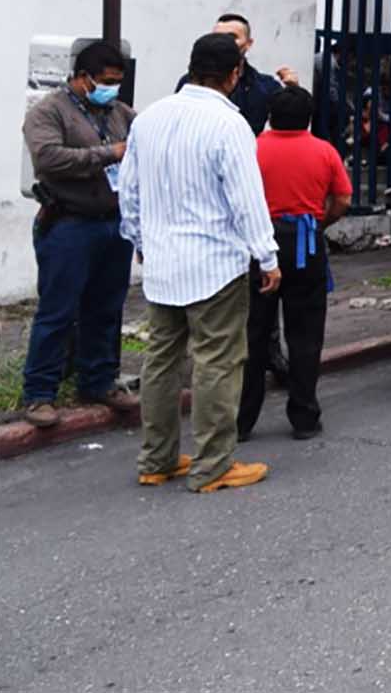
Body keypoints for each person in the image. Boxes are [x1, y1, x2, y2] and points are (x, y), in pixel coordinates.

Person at [120, 33, 280, 493]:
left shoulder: (148, 119)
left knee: (161, 361)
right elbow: (247, 201)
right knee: (217, 362)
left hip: (163, 263)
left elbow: (128, 192)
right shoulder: (229, 126)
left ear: (191, 67)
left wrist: (139, 240)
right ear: (234, 76)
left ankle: (157, 459)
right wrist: (267, 256)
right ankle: (213, 464)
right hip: (215, 264)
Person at [18, 41, 138, 430]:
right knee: (58, 311)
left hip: (112, 222)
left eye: (118, 82)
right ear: (82, 77)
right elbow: (48, 158)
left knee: (105, 308)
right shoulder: (49, 111)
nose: (112, 88)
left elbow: (141, 147)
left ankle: (99, 381)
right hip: (68, 222)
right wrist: (107, 154)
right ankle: (39, 393)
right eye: (106, 81)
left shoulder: (120, 113)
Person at [239, 86, 350, 441]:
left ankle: (242, 421)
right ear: (310, 117)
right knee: (305, 334)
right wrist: (320, 223)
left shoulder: (253, 148)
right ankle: (303, 416)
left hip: (260, 244)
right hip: (306, 242)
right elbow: (344, 198)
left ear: (270, 115)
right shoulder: (324, 150)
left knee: (253, 333)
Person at [177, 13, 294, 135]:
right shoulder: (190, 82)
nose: (223, 42)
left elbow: (289, 125)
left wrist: (293, 90)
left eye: (232, 37)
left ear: (248, 43)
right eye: (217, 37)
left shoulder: (265, 86)